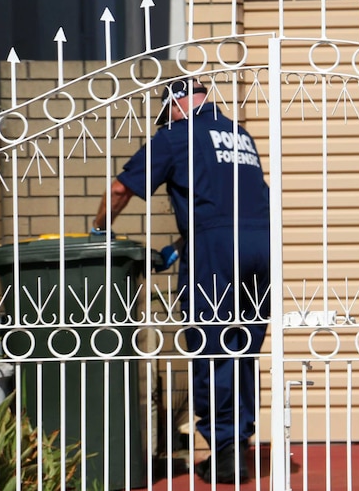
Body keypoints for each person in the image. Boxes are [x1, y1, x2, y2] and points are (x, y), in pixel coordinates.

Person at [92, 77, 270, 484]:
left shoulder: (176, 135)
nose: (166, 120)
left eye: (167, 113)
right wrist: (178, 247)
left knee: (211, 342)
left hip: (216, 253)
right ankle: (237, 443)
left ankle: (224, 452)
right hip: (260, 246)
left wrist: (98, 231)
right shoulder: (238, 135)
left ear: (177, 104)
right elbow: (231, 207)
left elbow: (121, 189)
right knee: (243, 345)